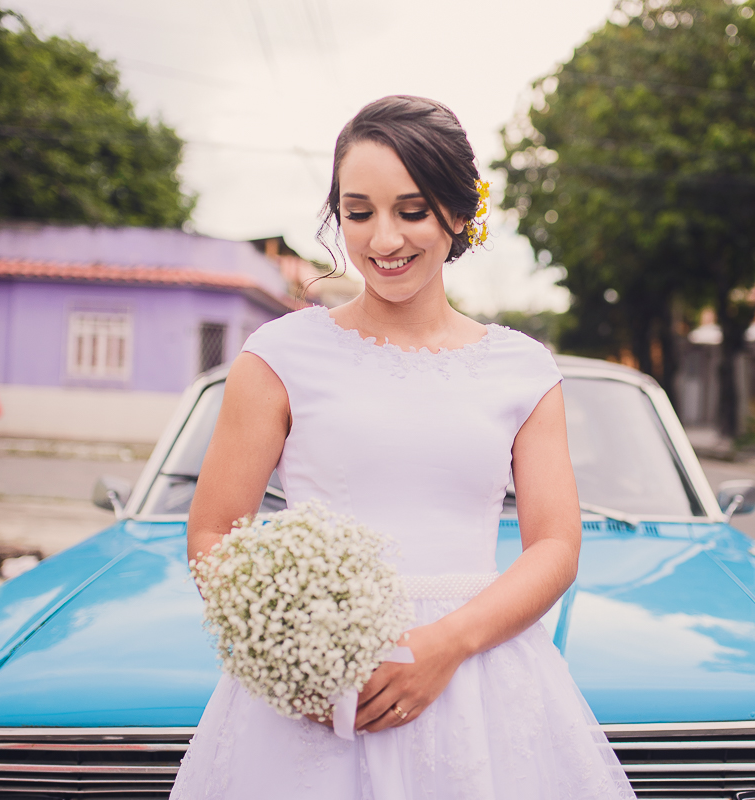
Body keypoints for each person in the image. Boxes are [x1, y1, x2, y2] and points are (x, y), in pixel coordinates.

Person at [171, 96, 636, 800]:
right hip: (311, 701)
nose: (383, 240)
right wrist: (295, 664)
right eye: (359, 213)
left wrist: (442, 647)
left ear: (460, 212)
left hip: (478, 685)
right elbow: (213, 531)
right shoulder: (279, 355)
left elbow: (555, 547)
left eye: (411, 211)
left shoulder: (523, 368)